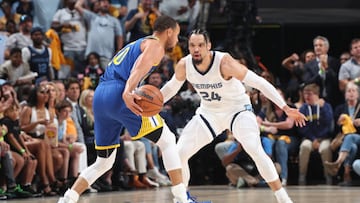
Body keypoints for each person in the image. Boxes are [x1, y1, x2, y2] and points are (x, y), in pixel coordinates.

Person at [160, 29, 306, 203]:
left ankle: (282, 198)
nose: (196, 49)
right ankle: (182, 200)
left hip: (237, 110)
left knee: (254, 148)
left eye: (200, 45)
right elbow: (171, 88)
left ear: (209, 46)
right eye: (192, 45)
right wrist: (152, 103)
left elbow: (259, 82)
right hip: (209, 112)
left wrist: (284, 107)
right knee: (179, 153)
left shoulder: (224, 62)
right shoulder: (184, 64)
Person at [58, 15, 192, 203]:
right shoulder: (155, 45)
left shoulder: (136, 43)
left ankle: (68, 198)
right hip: (119, 92)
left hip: (100, 96)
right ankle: (181, 198)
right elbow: (138, 68)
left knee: (104, 161)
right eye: (177, 35)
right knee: (168, 140)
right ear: (169, 31)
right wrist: (128, 90)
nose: (177, 40)